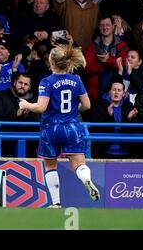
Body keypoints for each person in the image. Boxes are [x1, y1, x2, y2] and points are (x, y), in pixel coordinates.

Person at [19, 40, 100, 208]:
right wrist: (74, 107)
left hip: (51, 129)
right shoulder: (76, 80)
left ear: (51, 62)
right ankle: (86, 178)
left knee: (50, 165)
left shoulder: (47, 81)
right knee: (79, 164)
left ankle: (56, 203)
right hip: (72, 127)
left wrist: (25, 104)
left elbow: (41, 107)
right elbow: (87, 105)